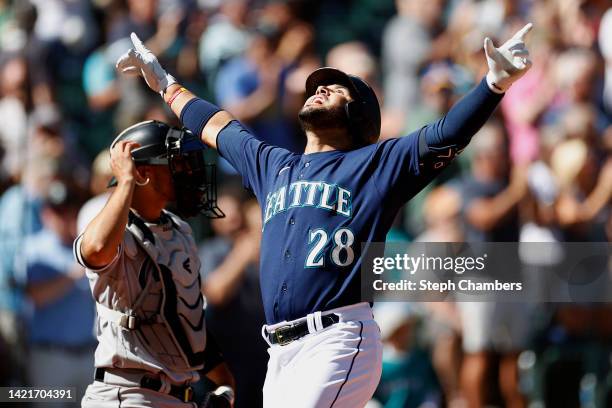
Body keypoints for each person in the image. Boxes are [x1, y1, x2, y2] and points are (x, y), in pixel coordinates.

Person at [116, 23, 534, 407]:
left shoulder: (377, 165)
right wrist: (165, 84)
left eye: (335, 90)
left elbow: (445, 134)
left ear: (358, 115)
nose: (319, 90)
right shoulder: (273, 165)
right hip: (279, 351)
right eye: (318, 87)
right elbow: (218, 127)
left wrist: (492, 84)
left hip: (338, 337)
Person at [73, 120, 234, 407]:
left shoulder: (179, 229)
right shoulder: (107, 221)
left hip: (179, 396)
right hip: (128, 394)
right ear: (143, 173)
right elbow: (96, 250)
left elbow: (185, 314)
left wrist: (223, 381)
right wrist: (125, 180)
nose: (188, 170)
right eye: (177, 162)